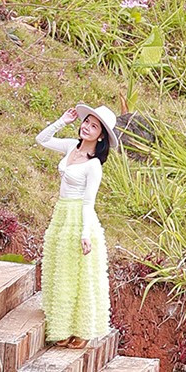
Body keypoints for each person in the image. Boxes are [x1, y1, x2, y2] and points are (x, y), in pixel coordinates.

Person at [35, 103, 117, 349]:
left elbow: (88, 201)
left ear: (101, 135)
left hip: (79, 217)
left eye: (93, 126)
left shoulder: (93, 165)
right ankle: (60, 326)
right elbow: (42, 139)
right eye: (86, 122)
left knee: (79, 274)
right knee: (61, 269)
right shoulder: (71, 146)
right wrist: (63, 120)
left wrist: (84, 233)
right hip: (61, 213)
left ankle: (82, 330)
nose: (87, 128)